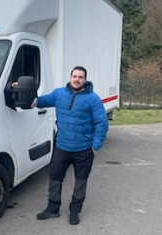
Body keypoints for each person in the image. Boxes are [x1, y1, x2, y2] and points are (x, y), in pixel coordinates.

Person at [34, 66, 108, 225]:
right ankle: (52, 209)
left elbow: (101, 122)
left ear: (85, 80)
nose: (77, 79)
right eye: (74, 76)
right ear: (70, 77)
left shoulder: (93, 99)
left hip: (83, 149)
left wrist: (95, 146)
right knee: (55, 178)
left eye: (80, 77)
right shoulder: (59, 94)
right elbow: (40, 101)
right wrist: (21, 92)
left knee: (80, 181)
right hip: (62, 147)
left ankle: (75, 211)